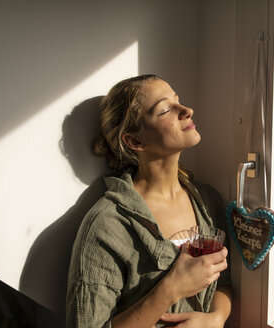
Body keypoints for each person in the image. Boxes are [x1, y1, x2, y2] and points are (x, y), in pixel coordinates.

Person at [66, 74, 232, 328]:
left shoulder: (208, 201)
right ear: (135, 141)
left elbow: (224, 282)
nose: (187, 111)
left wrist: (216, 318)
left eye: (178, 101)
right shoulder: (106, 227)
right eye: (165, 109)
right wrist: (171, 289)